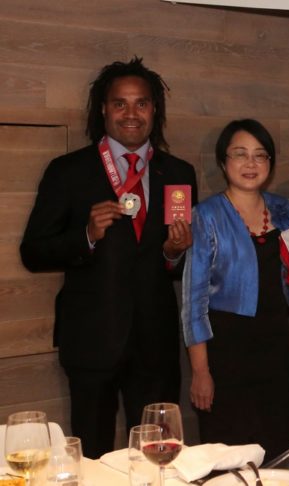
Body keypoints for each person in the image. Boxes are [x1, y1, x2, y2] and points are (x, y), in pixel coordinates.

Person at [20, 57, 197, 458]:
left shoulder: (178, 173)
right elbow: (33, 251)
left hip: (155, 344)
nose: (131, 114)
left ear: (154, 109)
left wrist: (174, 254)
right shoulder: (68, 171)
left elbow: (184, 265)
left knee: (157, 456)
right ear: (103, 109)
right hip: (91, 341)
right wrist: (86, 235)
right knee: (92, 456)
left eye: (141, 103)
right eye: (120, 103)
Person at [182, 119, 289, 461]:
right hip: (226, 354)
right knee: (228, 456)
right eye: (240, 154)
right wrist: (201, 372)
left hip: (275, 349)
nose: (251, 163)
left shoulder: (284, 210)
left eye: (260, 155)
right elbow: (193, 302)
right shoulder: (205, 215)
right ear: (223, 162)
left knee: (278, 452)